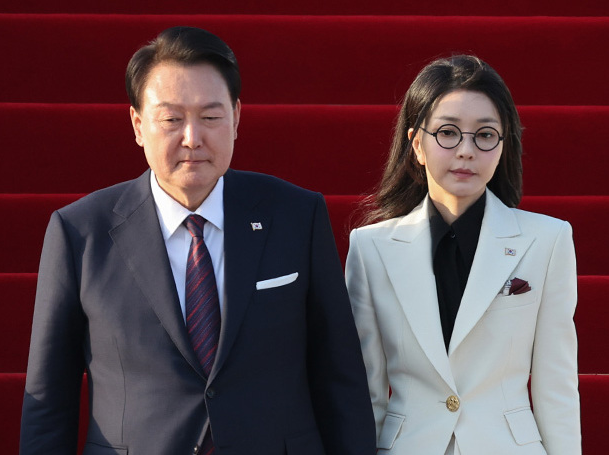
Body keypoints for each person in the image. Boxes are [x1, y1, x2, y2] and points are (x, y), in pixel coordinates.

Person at [20, 26, 376, 455]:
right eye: (171, 119)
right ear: (138, 124)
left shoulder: (296, 216)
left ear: (236, 118)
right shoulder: (80, 232)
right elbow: (50, 400)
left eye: (210, 117)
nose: (192, 138)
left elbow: (339, 374)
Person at [345, 55, 580, 454]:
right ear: (417, 144)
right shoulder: (371, 249)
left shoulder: (547, 240)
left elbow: (556, 385)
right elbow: (367, 392)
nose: (466, 150)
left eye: (485, 135)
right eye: (448, 133)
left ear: (502, 145)